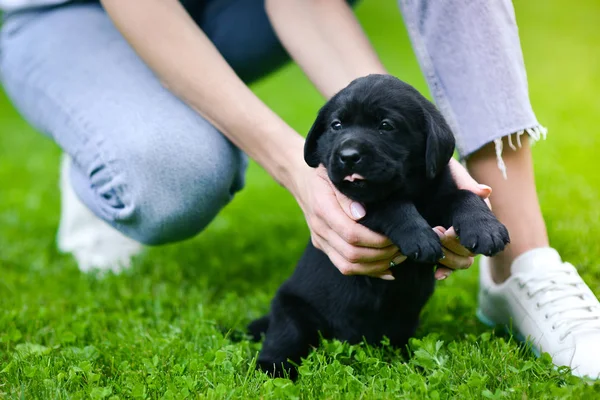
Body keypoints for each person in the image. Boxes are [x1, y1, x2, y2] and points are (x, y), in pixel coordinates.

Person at [1, 0, 598, 379]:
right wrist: (301, 169)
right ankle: (102, 130)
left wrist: (406, 150)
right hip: (79, 15)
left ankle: (523, 268)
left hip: (232, 9)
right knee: (169, 178)